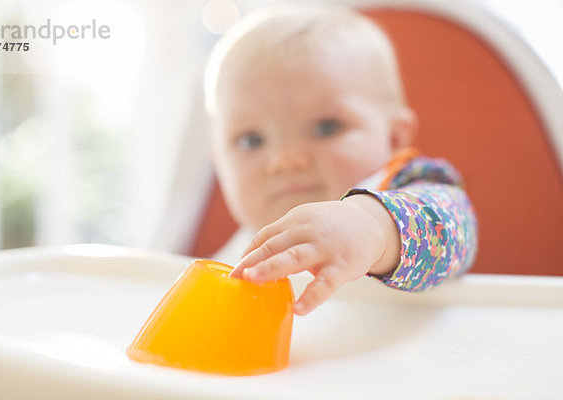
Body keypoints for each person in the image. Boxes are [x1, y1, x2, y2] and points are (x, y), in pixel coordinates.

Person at [204, 4, 478, 316]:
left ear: (394, 138)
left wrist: (371, 227)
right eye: (252, 140)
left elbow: (455, 228)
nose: (286, 159)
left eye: (325, 128)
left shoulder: (409, 189)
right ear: (217, 158)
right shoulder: (238, 252)